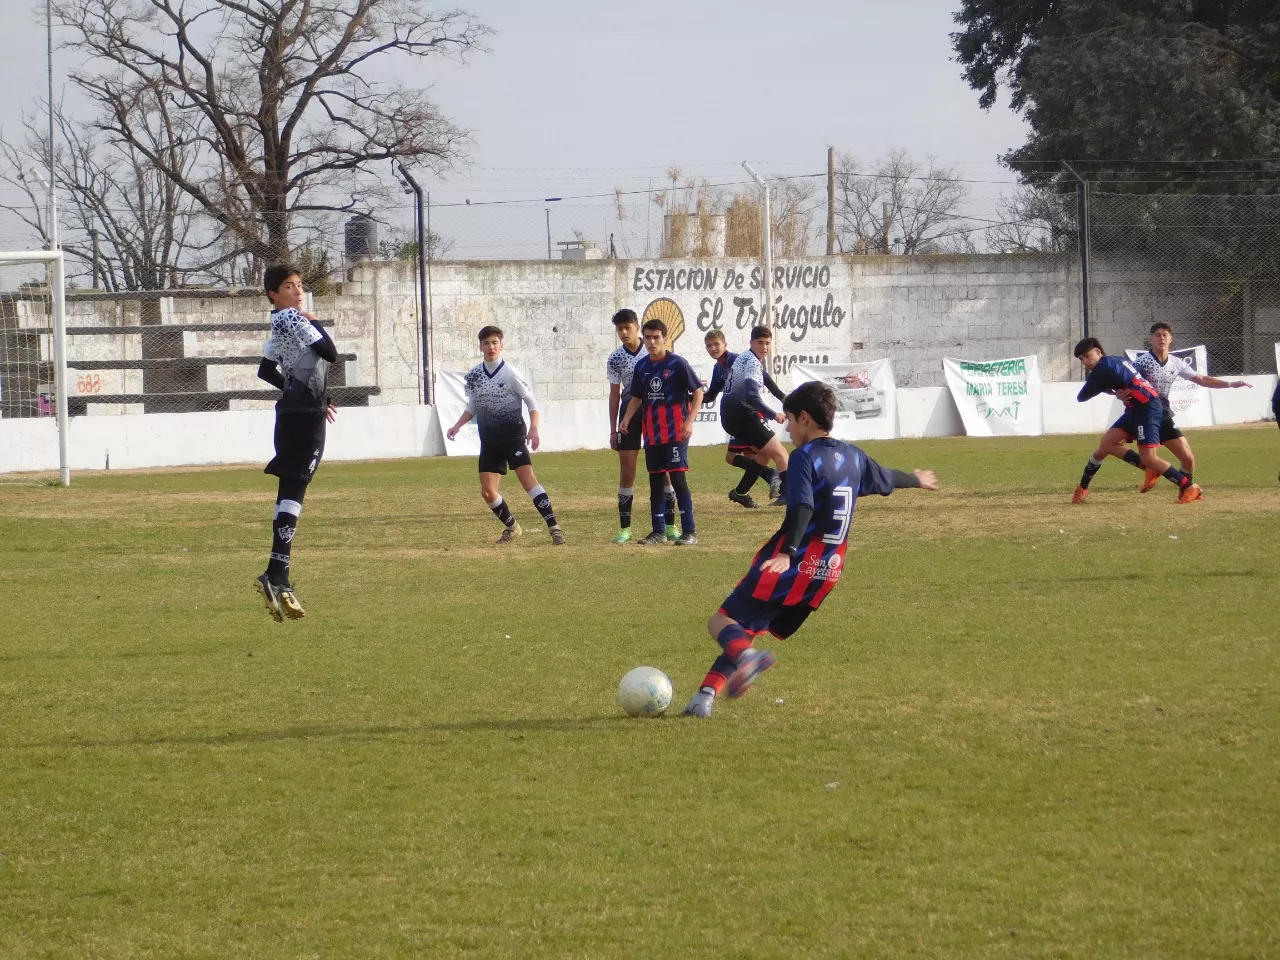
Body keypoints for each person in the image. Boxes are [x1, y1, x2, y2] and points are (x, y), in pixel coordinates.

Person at [682, 381, 937, 718]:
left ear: (804, 418)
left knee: (721, 622)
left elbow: (802, 506)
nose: (786, 427)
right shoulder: (853, 457)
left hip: (792, 562)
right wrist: (916, 479)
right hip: (825, 571)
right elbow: (888, 478)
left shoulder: (804, 458)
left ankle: (744, 661)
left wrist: (787, 552)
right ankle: (704, 698)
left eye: (788, 419)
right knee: (745, 630)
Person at [254, 264, 339, 622]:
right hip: (306, 417)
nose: (298, 292)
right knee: (297, 490)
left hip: (291, 413)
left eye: (300, 285)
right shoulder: (293, 318)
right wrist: (314, 321)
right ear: (274, 293)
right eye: (289, 286)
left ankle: (278, 573)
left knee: (289, 491)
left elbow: (265, 370)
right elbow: (331, 352)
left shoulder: (277, 323)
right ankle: (278, 574)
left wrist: (300, 392)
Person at [446, 326, 565, 545]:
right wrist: (457, 426)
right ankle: (513, 527)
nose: (491, 347)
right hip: (489, 441)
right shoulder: (474, 375)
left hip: (513, 438)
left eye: (494, 343)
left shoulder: (510, 373)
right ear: (480, 346)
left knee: (528, 482)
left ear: (502, 345)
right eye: (486, 343)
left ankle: (554, 527)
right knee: (488, 493)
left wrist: (534, 428)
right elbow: (472, 405)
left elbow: (531, 402)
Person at [1071, 337, 1201, 504]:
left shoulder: (1101, 369)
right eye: (1081, 359)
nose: (1084, 361)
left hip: (1147, 408)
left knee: (1150, 458)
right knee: (1107, 443)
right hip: (1138, 408)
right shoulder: (1115, 359)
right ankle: (1150, 470)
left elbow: (1082, 397)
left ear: (1098, 351)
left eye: (1086, 356)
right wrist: (1114, 391)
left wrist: (1107, 389)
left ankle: (1190, 487)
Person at [1129, 322, 1252, 491]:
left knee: (1188, 459)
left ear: (1171, 338)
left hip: (1163, 415)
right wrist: (1118, 393)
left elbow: (1201, 379)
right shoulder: (1142, 362)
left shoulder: (1176, 362)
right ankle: (1181, 485)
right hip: (1144, 415)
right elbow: (1123, 381)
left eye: (1165, 334)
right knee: (1119, 447)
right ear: (1151, 339)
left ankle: (1184, 492)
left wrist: (1230, 383)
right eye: (1157, 335)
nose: (1161, 338)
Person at [618, 318, 705, 545]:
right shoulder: (642, 366)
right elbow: (637, 397)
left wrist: (689, 421)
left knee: (678, 480)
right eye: (647, 337)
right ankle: (658, 531)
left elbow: (698, 392)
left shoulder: (678, 364)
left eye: (656, 337)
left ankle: (690, 532)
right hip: (652, 435)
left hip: (676, 433)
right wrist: (626, 419)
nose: (651, 342)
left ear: (665, 339)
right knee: (655, 482)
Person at [607, 309, 677, 544]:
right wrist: (613, 428)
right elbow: (615, 395)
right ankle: (625, 528)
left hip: (655, 415)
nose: (624, 332)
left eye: (628, 327)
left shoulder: (654, 351)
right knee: (627, 471)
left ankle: (670, 525)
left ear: (638, 326)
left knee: (663, 470)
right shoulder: (615, 358)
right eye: (620, 329)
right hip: (629, 416)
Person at [702, 328, 787, 508]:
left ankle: (742, 491)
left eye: (716, 344)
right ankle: (780, 485)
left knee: (758, 455)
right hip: (741, 412)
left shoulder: (736, 359)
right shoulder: (720, 368)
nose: (713, 349)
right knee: (763, 454)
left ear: (725, 344)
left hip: (742, 412)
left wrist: (783, 398)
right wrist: (689, 394)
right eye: (709, 346)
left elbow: (765, 379)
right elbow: (710, 396)